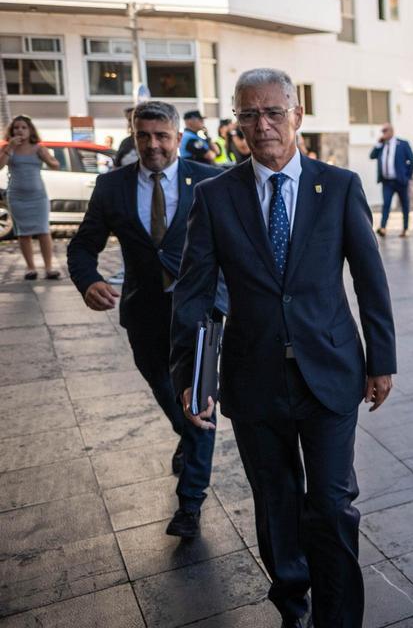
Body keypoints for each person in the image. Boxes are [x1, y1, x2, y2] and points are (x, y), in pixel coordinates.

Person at [170, 68, 396, 628]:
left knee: (333, 503)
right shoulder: (215, 197)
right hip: (253, 381)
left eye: (274, 112)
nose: (262, 125)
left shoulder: (339, 186)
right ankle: (293, 602)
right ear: (236, 124)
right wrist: (192, 377)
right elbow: (194, 294)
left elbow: (370, 278)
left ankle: (339, 617)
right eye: (249, 114)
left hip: (332, 372)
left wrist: (382, 359)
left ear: (298, 115)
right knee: (276, 505)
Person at [67, 100, 227, 539]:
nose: (152, 145)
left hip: (198, 315)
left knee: (198, 403)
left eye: (161, 136)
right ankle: (186, 434)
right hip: (143, 312)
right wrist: (88, 281)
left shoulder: (210, 181)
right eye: (144, 136)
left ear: (178, 137)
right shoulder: (112, 186)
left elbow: (234, 249)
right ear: (133, 136)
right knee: (164, 390)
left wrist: (225, 301)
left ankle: (190, 504)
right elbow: (82, 246)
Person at [0, 115, 62, 280]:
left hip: (38, 196)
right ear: (12, 131)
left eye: (23, 127)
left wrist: (47, 156)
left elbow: (55, 165)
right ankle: (30, 268)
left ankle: (49, 268)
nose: (19, 130)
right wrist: (9, 148)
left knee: (43, 231)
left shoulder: (38, 148)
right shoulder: (8, 148)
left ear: (30, 130)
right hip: (16, 197)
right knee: (23, 233)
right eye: (16, 128)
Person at [369, 123, 413, 238]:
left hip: (401, 181)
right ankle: (383, 228)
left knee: (405, 205)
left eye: (385, 131)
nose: (383, 133)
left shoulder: (402, 144)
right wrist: (378, 143)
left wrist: (407, 176)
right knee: (386, 204)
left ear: (392, 131)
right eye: (382, 131)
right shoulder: (382, 145)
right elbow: (372, 156)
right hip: (387, 182)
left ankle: (405, 228)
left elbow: (411, 160)